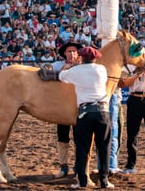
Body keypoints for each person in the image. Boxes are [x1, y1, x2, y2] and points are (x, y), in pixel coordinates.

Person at [59, 46, 113, 189]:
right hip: (103, 112)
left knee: (82, 148)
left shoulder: (75, 71)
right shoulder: (102, 69)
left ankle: (82, 181)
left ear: (81, 57)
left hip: (85, 112)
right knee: (104, 147)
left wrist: (69, 66)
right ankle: (104, 180)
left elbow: (61, 76)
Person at [52, 41, 83, 179]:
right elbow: (47, 76)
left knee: (79, 139)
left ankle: (78, 166)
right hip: (62, 108)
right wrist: (66, 67)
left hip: (78, 107)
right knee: (62, 137)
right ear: (64, 53)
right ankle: (63, 166)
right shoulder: (57, 65)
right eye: (69, 51)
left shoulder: (83, 67)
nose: (72, 54)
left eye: (74, 51)